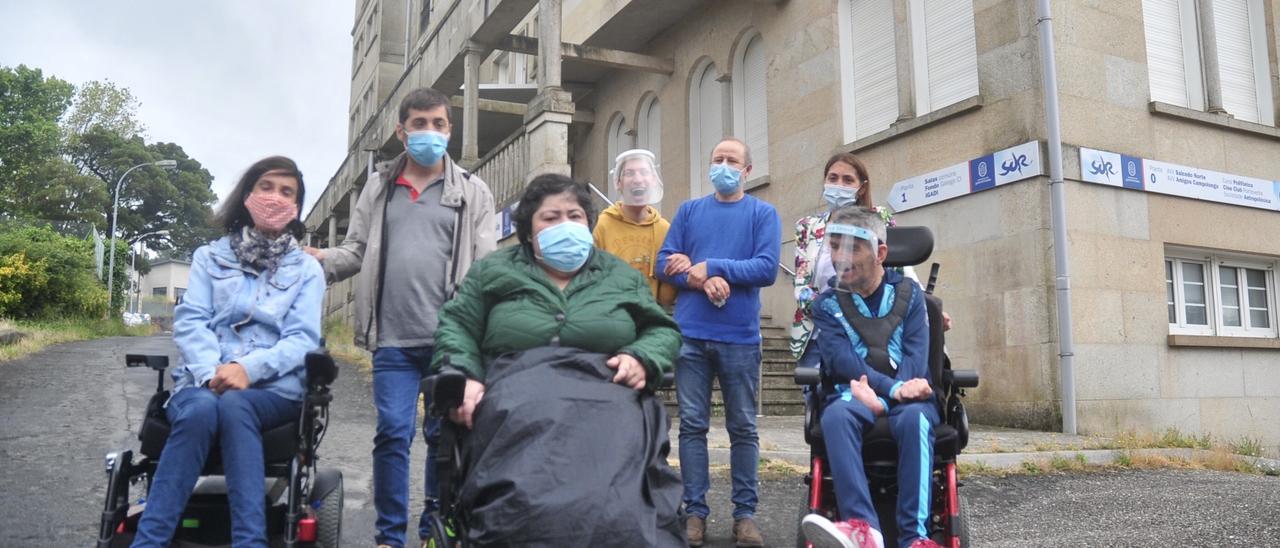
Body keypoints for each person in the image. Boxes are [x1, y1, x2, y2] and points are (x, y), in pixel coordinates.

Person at [429, 173, 685, 545]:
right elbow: (456, 325)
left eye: (575, 216)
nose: (565, 225)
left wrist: (642, 356)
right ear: (529, 230)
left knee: (623, 495)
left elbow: (662, 330)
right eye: (550, 218)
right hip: (516, 398)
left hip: (608, 398)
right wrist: (465, 373)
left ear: (588, 222)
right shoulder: (493, 271)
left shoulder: (619, 276)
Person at [303, 87, 496, 548]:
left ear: (450, 130)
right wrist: (318, 260)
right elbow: (355, 251)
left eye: (439, 124)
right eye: (420, 123)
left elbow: (487, 268)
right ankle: (390, 536)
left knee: (441, 435)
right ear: (401, 130)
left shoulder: (472, 191)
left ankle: (432, 529)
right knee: (393, 432)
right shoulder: (379, 187)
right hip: (392, 338)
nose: (430, 132)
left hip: (450, 339)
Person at [131, 156, 323, 547]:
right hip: (202, 382)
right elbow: (191, 321)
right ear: (247, 195)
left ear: (297, 207)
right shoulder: (208, 257)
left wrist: (247, 369)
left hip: (274, 390)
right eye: (266, 187)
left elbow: (302, 339)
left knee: (237, 405)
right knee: (203, 407)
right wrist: (211, 373)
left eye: (287, 192)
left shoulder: (307, 271)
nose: (275, 198)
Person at [657, 137, 780, 547]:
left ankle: (744, 516)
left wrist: (713, 265)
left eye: (732, 160)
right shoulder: (690, 211)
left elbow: (765, 267)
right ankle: (695, 513)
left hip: (740, 340)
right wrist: (697, 276)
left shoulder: (763, 213)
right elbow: (664, 262)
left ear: (747, 171)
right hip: (691, 337)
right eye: (717, 159)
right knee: (692, 427)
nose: (723, 166)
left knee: (743, 428)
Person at [799, 206, 941, 548]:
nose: (840, 257)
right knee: (836, 414)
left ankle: (915, 538)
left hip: (907, 396)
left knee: (916, 418)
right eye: (834, 246)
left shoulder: (910, 297)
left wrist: (887, 396)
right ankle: (864, 530)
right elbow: (842, 361)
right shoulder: (827, 304)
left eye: (852, 247)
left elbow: (915, 358)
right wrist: (886, 392)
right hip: (852, 394)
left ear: (880, 253)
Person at [791, 153, 902, 368]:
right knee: (817, 399)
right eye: (832, 178)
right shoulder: (807, 226)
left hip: (872, 331)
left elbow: (899, 275)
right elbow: (801, 288)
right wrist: (833, 313)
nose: (839, 185)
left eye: (848, 180)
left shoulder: (879, 218)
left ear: (861, 187)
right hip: (819, 334)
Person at [592, 148, 677, 306]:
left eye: (644, 172)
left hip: (648, 319)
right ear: (618, 182)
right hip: (609, 318)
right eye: (629, 173)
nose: (638, 179)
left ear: (653, 179)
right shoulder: (601, 226)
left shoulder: (664, 229)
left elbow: (665, 297)